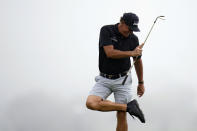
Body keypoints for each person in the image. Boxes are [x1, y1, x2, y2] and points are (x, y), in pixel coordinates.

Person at [86, 12, 145, 131]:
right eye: (129, 28)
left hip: (123, 80)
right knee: (91, 103)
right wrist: (131, 53)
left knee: (121, 115)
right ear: (122, 22)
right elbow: (110, 53)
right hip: (104, 79)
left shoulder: (133, 39)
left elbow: (137, 61)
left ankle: (125, 108)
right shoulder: (107, 30)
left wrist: (141, 83)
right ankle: (129, 107)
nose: (130, 32)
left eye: (133, 29)